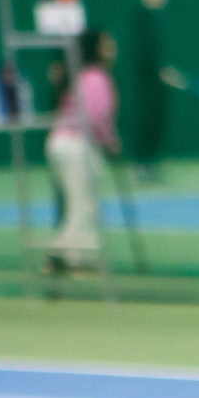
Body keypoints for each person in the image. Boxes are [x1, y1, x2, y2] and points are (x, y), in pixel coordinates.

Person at [45, 30, 118, 270]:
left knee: (82, 203)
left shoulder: (79, 74)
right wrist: (109, 140)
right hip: (77, 146)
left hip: (61, 143)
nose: (112, 50)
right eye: (107, 45)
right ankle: (63, 254)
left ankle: (79, 255)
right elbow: (94, 115)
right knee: (82, 204)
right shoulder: (96, 77)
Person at [126, 0, 178, 180]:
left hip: (157, 85)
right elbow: (145, 51)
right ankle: (141, 164)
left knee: (156, 122)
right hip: (147, 84)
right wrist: (159, 71)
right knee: (146, 121)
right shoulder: (141, 19)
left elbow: (157, 52)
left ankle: (149, 164)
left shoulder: (156, 20)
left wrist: (165, 70)